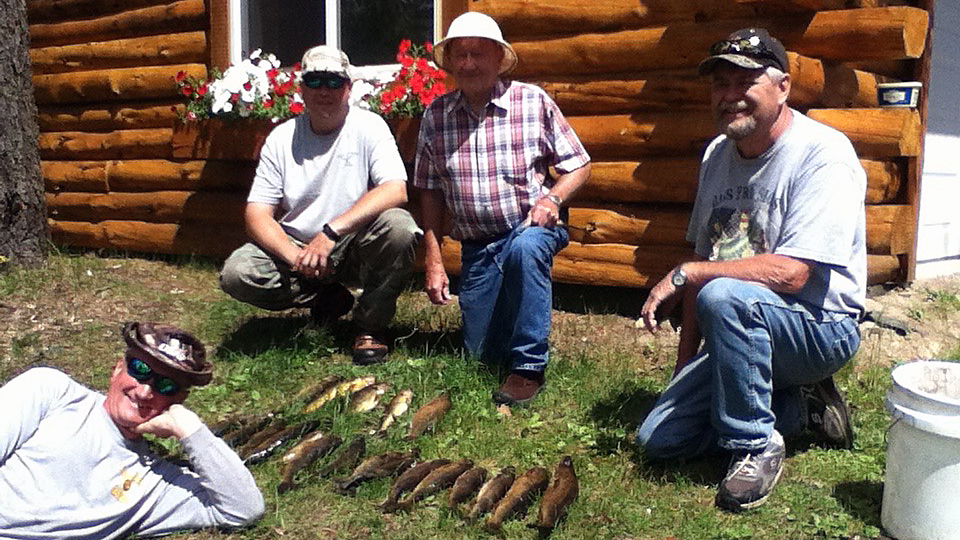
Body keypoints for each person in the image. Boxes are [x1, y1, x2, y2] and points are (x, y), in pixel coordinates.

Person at [635, 28, 865, 512]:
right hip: (742, 323)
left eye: (746, 81)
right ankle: (797, 407)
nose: (731, 96)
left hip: (819, 328)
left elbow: (793, 275)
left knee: (724, 292)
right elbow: (705, 264)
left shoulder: (824, 154)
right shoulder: (717, 155)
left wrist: (690, 273)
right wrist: (682, 371)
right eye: (720, 83)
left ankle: (755, 444)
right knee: (659, 439)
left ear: (783, 87)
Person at [413, 12, 592, 406]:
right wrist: (434, 259)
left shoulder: (531, 101)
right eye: (460, 55)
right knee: (482, 356)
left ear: (499, 59)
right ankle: (511, 325)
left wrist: (552, 199)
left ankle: (528, 367)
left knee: (524, 250)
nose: (469, 64)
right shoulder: (437, 115)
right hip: (477, 245)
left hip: (530, 227)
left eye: (479, 54)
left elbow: (579, 164)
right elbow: (428, 190)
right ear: (450, 63)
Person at [220, 45, 421, 365]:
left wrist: (330, 233)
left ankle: (370, 325)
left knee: (400, 228)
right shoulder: (281, 138)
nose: (324, 90)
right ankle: (329, 298)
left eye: (333, 81)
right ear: (301, 89)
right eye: (314, 82)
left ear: (349, 88)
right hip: (298, 244)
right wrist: (296, 257)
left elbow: (395, 189)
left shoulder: (370, 127)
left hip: (352, 242)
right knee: (237, 272)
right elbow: (256, 213)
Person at [0, 322, 265, 538]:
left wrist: (189, 428)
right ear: (117, 369)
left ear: (177, 400)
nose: (145, 391)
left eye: (166, 386)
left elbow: (243, 509)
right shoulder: (52, 392)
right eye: (140, 370)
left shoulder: (154, 482)